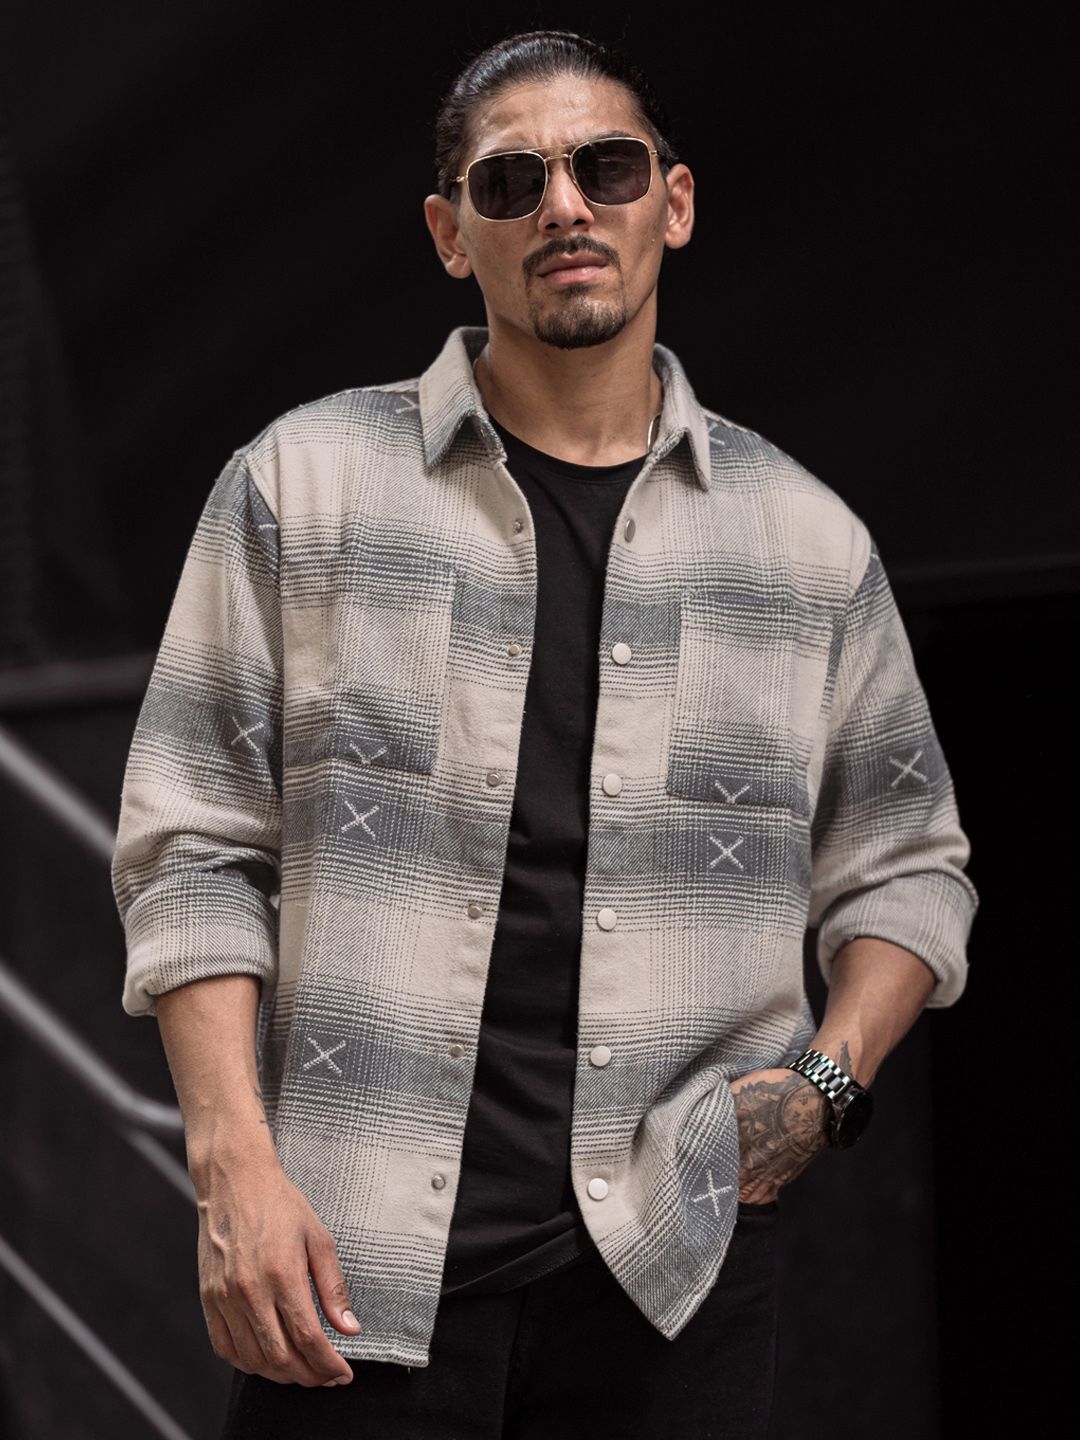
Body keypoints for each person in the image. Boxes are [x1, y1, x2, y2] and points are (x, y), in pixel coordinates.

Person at [110, 29, 979, 1440]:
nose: (565, 205)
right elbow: (190, 849)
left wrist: (824, 1088)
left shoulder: (806, 544)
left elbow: (910, 866)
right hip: (352, 1269)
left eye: (606, 168)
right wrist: (234, 1174)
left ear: (672, 203)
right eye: (511, 182)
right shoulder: (301, 489)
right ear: (452, 235)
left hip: (672, 1276)